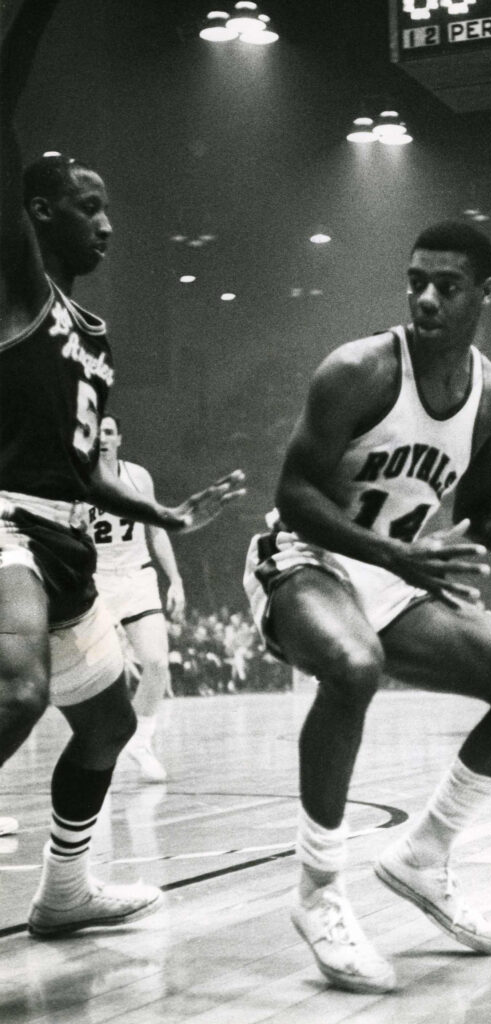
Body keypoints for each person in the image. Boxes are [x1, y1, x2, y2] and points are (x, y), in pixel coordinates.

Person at [244, 220, 491, 993]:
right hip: (305, 559)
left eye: (447, 286)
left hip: (389, 578)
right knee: (355, 666)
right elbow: (292, 496)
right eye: (416, 281)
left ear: (484, 295)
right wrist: (398, 554)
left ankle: (422, 855)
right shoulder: (356, 371)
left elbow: (482, 510)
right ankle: (318, 891)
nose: (426, 299)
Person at [0, 0, 244, 936]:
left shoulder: (93, 335)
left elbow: (88, 467)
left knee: (108, 726)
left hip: (62, 538)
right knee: (19, 693)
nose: (108, 223)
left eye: (109, 208)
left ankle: (64, 893)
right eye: (89, 206)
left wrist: (170, 516)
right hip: (4, 520)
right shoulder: (18, 286)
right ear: (38, 215)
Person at [89, 414, 186, 783]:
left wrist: (175, 579)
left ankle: (140, 742)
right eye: (96, 432)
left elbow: (157, 531)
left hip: (137, 575)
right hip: (95, 579)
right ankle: (97, 748)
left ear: (119, 439)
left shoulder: (138, 477)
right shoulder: (75, 479)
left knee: (157, 662)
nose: (103, 438)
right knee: (101, 675)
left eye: (109, 432)